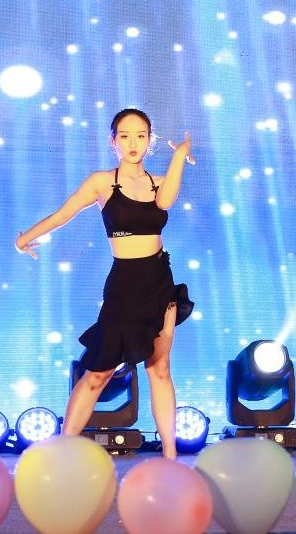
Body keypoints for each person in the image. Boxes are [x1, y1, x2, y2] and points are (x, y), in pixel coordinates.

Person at [15, 108, 195, 458]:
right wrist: (24, 238)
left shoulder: (159, 182)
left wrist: (179, 156)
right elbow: (63, 214)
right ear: (113, 141)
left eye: (141, 136)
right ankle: (63, 451)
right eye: (124, 136)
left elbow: (166, 201)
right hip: (124, 285)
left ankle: (171, 457)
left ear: (150, 140)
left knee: (159, 369)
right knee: (98, 372)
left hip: (159, 280)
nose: (133, 143)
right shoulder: (101, 182)